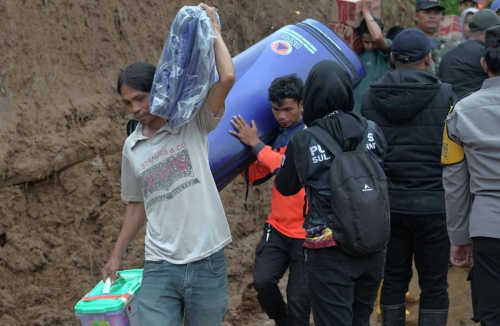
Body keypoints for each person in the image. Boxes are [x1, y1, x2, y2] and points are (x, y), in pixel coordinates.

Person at [100, 4, 236, 326]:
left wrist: (213, 30)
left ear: (159, 87)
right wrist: (115, 256)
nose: (134, 109)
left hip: (207, 262)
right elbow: (136, 205)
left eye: (140, 98)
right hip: (159, 265)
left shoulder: (191, 122)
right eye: (127, 103)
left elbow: (227, 76)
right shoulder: (133, 147)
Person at [275, 60, 388, 326]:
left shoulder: (304, 139)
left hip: (329, 250)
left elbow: (285, 186)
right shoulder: (372, 130)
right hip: (373, 245)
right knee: (361, 319)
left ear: (310, 97)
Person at [360, 28, 456, 325]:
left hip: (388, 206)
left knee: (392, 279)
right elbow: (455, 154)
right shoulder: (445, 95)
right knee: (435, 283)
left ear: (391, 58)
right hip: (435, 205)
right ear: (428, 59)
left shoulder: (369, 97)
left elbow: (367, 153)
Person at [228, 75, 311, 326]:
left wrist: (255, 144)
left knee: (299, 300)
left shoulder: (310, 134)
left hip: (307, 234)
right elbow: (256, 174)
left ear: (302, 104)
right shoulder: (277, 137)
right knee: (263, 282)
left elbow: (284, 166)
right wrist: (240, 154)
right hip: (277, 227)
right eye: (276, 110)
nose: (282, 116)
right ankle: (282, 320)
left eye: (288, 109)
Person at [442, 25, 500, 326]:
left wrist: (459, 237)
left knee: (490, 314)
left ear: (483, 64)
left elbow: (454, 183)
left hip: (487, 227)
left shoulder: (459, 112)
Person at [439, 9, 499, 98]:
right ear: (489, 31)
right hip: (478, 107)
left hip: (450, 108)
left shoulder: (448, 54)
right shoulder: (487, 54)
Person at [351, 0, 392, 112]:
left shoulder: (386, 52)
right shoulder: (357, 55)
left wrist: (365, 11)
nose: (370, 46)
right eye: (366, 42)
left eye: (372, 42)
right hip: (357, 114)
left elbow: (377, 38)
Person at [414, 0, 455, 75]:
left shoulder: (452, 47)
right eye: (427, 12)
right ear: (416, 16)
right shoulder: (408, 43)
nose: (432, 16)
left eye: (436, 13)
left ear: (442, 18)